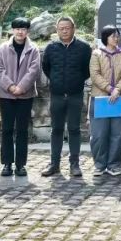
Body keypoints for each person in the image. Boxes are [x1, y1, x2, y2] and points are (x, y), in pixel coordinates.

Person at [40, 17, 92, 178]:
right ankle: (54, 164)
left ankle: (74, 164)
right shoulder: (51, 48)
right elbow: (46, 67)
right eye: (61, 28)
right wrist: (57, 81)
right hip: (56, 95)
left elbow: (87, 70)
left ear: (73, 28)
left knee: (74, 129)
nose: (64, 31)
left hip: (75, 95)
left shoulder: (84, 48)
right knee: (56, 129)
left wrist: (75, 81)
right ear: (57, 30)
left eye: (67, 28)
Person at [0, 17, 41, 177]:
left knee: (22, 130)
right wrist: (11, 86)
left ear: (28, 31)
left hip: (25, 95)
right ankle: (7, 163)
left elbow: (34, 70)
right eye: (17, 28)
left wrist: (21, 87)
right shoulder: (3, 48)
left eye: (23, 29)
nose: (20, 32)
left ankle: (20, 164)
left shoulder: (33, 49)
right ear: (12, 30)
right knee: (7, 129)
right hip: (6, 95)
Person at [89, 25, 121, 176]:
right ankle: (100, 165)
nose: (116, 38)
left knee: (118, 134)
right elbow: (95, 75)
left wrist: (117, 90)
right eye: (113, 36)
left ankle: (114, 165)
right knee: (99, 134)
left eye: (117, 36)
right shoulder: (96, 54)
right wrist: (109, 89)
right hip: (101, 98)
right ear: (105, 37)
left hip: (119, 98)